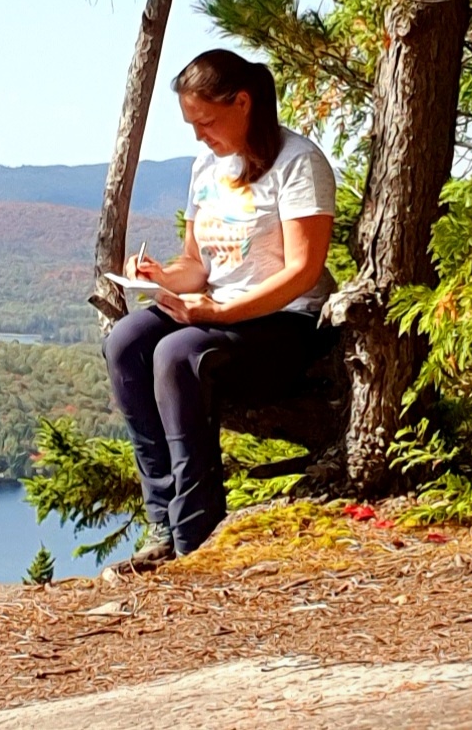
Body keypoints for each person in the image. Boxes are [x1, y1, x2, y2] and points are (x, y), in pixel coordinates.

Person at [104, 49, 336, 565]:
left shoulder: (298, 163)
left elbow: (301, 270)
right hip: (219, 309)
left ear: (244, 103)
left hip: (286, 321)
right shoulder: (207, 165)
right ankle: (163, 521)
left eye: (205, 121)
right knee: (124, 343)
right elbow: (197, 263)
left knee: (178, 354)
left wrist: (219, 315)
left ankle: (195, 536)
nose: (199, 135)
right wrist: (162, 277)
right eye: (191, 123)